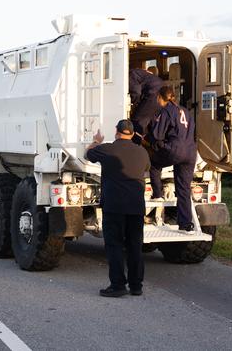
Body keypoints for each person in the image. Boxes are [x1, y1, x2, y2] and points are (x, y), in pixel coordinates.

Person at [86, 120, 151, 297]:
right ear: (132, 133)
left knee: (114, 245)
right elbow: (146, 168)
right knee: (135, 245)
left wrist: (97, 140)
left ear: (116, 131)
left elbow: (88, 154)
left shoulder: (107, 149)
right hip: (136, 206)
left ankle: (118, 285)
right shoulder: (142, 152)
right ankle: (136, 286)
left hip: (114, 206)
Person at [146, 86, 196, 232]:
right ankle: (185, 224)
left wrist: (149, 139)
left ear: (159, 98)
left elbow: (157, 135)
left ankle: (157, 195)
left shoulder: (166, 110)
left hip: (175, 150)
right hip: (190, 152)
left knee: (154, 163)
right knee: (184, 189)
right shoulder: (185, 111)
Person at [129, 64, 163, 144]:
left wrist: (134, 104)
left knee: (136, 121)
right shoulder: (140, 72)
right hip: (161, 93)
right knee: (152, 122)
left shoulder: (130, 74)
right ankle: (153, 145)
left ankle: (136, 146)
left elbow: (136, 92)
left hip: (153, 94)